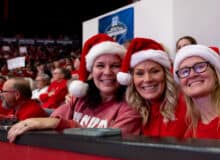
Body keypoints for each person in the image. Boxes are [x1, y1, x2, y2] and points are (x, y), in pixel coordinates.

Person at [116, 37, 220, 139]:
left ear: (166, 74)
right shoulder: (136, 111)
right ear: (132, 79)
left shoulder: (186, 100)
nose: (147, 79)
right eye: (139, 73)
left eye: (154, 71)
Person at [7, 34, 142, 143]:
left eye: (115, 65)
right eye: (100, 66)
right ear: (91, 70)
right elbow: (53, 119)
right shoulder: (80, 97)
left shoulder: (132, 105)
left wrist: (60, 124)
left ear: (124, 71)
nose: (107, 72)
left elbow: (110, 145)